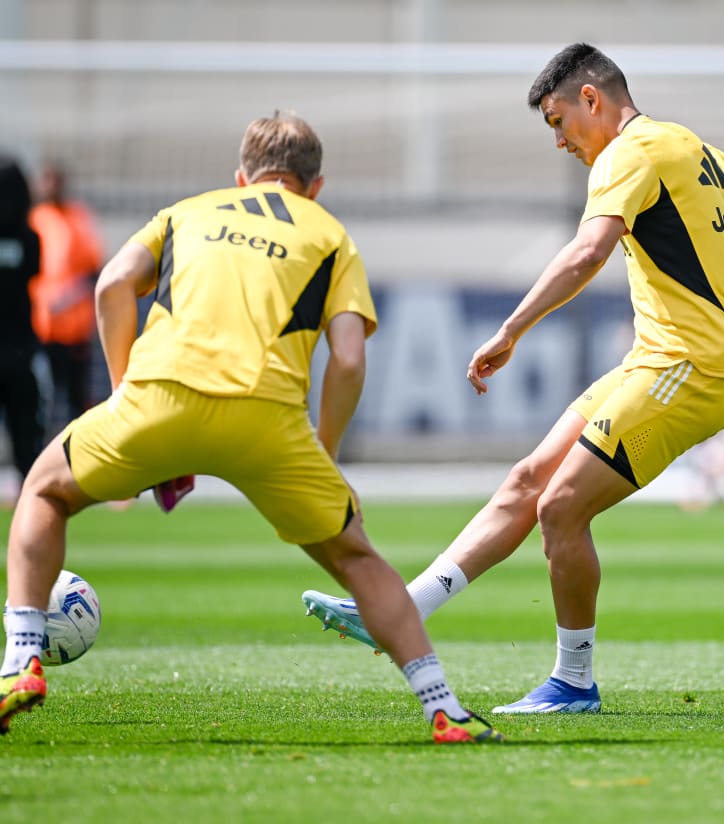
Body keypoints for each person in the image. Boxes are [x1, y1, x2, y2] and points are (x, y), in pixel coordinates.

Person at [302, 43, 724, 714]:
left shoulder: (627, 155)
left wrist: (511, 328)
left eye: (556, 120)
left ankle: (574, 682)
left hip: (688, 370)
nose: (557, 140)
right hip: (656, 363)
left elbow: (587, 251)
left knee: (560, 507)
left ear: (591, 99)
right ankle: (399, 610)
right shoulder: (691, 149)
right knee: (528, 480)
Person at [0, 111, 503, 744]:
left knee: (44, 492)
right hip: (268, 420)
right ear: (315, 186)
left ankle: (20, 661)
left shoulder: (189, 211)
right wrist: (327, 452)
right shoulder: (330, 235)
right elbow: (348, 358)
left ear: (242, 177)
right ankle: (444, 709)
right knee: (357, 559)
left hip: (159, 397)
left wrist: (129, 393)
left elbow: (112, 285)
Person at [28, 161, 105, 435]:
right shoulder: (34, 219)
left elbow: (93, 269)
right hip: (40, 328)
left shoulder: (77, 217)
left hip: (74, 329)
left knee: (76, 400)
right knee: (41, 398)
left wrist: (70, 295)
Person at [0, 155, 49, 503]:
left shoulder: (29, 237)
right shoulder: (30, 237)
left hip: (15, 348)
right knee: (25, 432)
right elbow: (33, 272)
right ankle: (29, 498)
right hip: (19, 349)